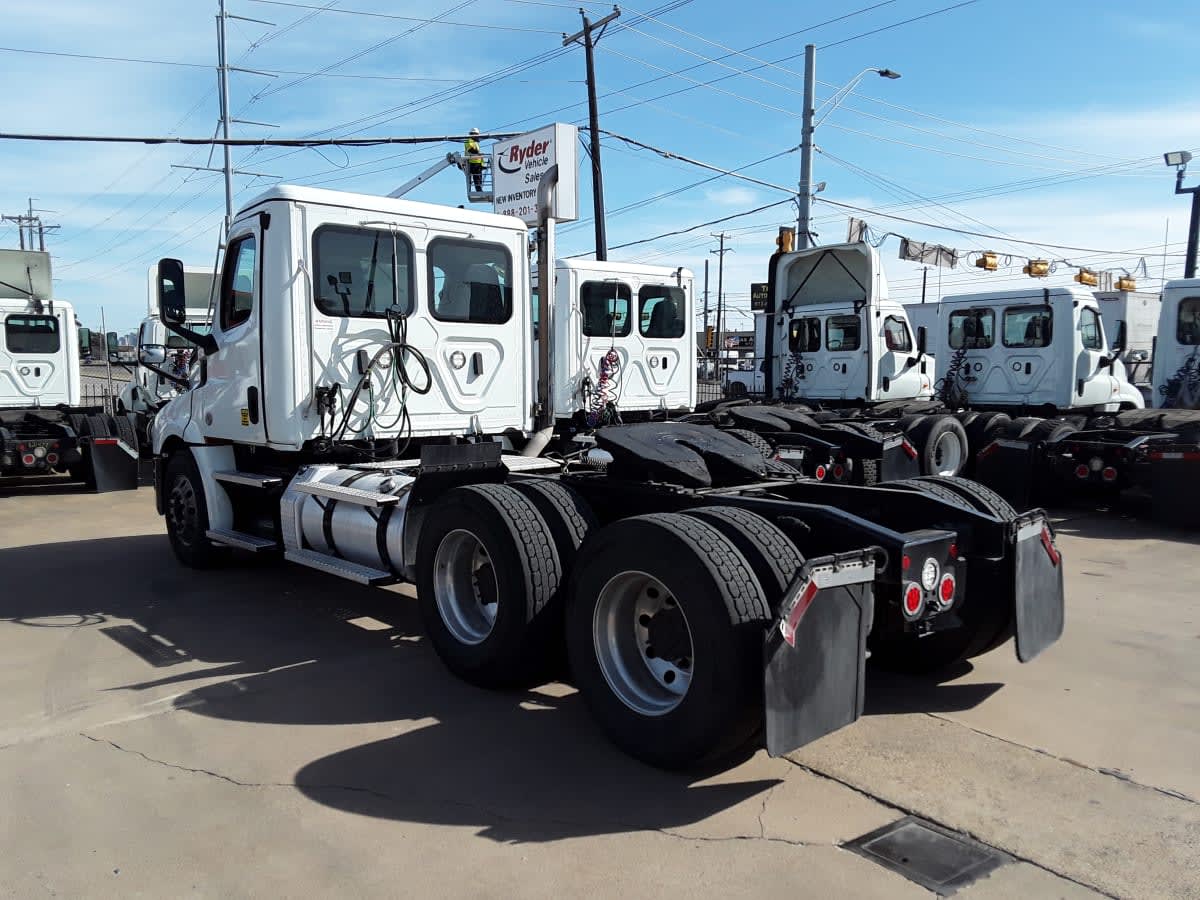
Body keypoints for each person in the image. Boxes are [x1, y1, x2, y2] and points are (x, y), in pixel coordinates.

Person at [464, 127, 485, 192]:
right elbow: (471, 150)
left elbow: (476, 152)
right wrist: (478, 153)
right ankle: (479, 191)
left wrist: (482, 164)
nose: (478, 137)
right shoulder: (469, 140)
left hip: (477, 164)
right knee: (476, 178)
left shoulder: (475, 142)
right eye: (476, 135)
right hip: (472, 163)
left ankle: (480, 190)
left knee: (478, 178)